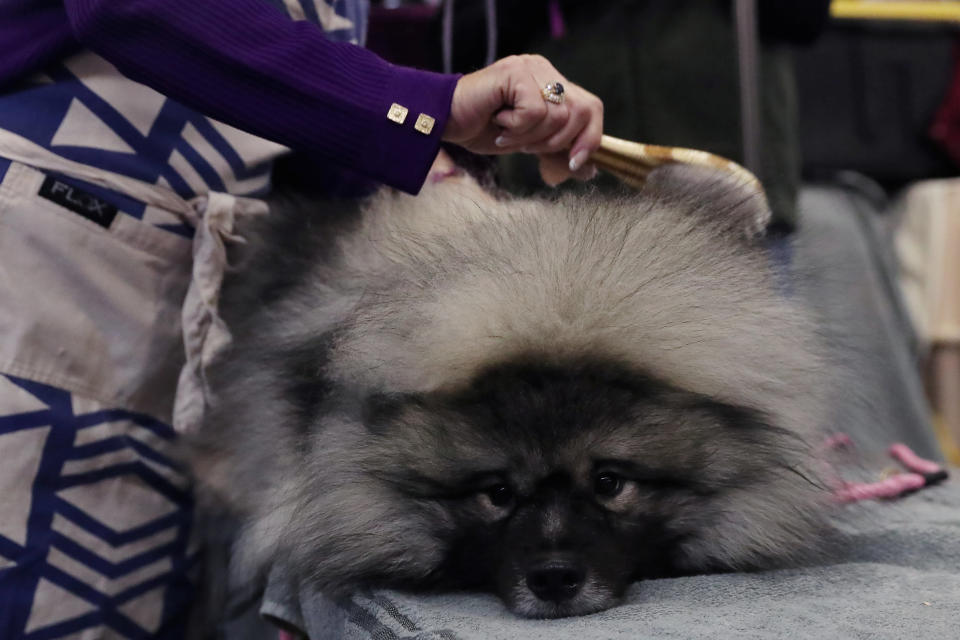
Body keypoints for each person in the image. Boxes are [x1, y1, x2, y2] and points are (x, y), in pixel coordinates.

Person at [0, 1, 603, 638]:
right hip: (56, 262)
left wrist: (452, 177)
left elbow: (291, 96)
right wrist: (424, 106)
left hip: (174, 293)